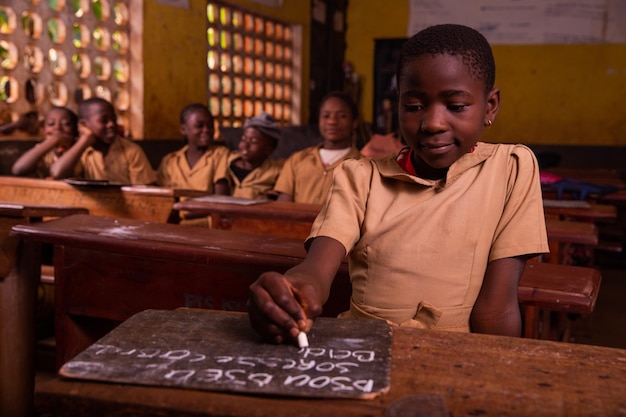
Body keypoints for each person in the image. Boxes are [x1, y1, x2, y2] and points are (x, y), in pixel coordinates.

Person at [247, 24, 549, 344]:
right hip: (364, 346)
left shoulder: (510, 169)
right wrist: (295, 290)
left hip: (461, 352)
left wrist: (496, 375)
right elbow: (317, 269)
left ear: (490, 106)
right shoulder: (360, 177)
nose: (432, 123)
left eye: (456, 106)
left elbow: (496, 309)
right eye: (414, 106)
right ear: (398, 105)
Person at [272, 91, 361, 204]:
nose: (332, 121)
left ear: (354, 123)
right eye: (326, 116)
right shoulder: (297, 160)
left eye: (342, 116)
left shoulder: (363, 166)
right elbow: (284, 206)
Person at [50, 97, 156, 185]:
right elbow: (57, 173)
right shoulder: (78, 151)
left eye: (114, 119)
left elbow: (145, 191)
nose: (111, 124)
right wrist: (85, 139)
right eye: (103, 120)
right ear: (84, 125)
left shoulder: (131, 151)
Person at [156, 103, 230, 194]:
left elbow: (220, 199)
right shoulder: (170, 162)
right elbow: (162, 198)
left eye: (210, 126)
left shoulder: (220, 155)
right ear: (183, 129)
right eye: (199, 126)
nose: (206, 130)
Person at [223, 112, 283, 200]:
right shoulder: (227, 162)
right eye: (244, 139)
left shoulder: (276, 173)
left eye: (253, 141)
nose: (245, 145)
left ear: (269, 149)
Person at [11, 107, 81, 177]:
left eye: (66, 124)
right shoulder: (42, 150)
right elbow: (18, 169)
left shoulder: (84, 152)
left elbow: (57, 173)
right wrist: (54, 140)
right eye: (51, 124)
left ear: (76, 130)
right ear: (44, 130)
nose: (57, 127)